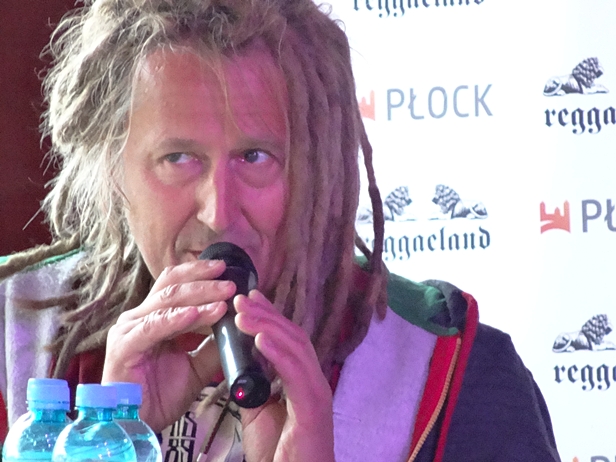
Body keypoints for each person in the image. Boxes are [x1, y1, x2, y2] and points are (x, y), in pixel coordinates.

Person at [0, 0, 561, 461]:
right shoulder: (16, 335)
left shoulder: (452, 372)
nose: (219, 212)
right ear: (112, 170)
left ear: (319, 171)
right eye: (178, 158)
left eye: (255, 157)